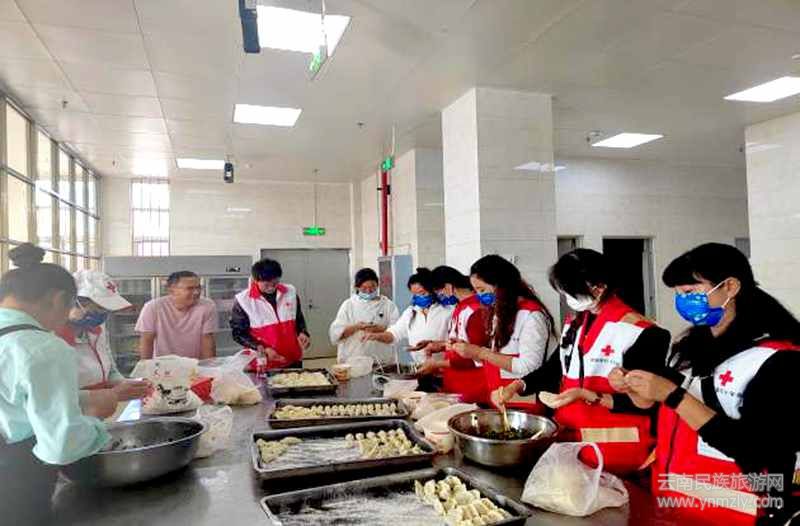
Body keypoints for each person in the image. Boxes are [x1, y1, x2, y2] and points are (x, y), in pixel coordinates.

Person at [618, 243, 800, 525]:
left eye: (691, 291)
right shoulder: (689, 348)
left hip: (742, 512)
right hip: (677, 505)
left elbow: (756, 448)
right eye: (679, 294)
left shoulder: (779, 360)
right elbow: (671, 419)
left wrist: (673, 395)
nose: (684, 302)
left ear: (730, 287)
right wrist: (638, 392)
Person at [490, 248, 671, 475]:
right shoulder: (576, 324)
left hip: (614, 447)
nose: (568, 299)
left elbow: (646, 402)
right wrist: (517, 386)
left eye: (571, 292)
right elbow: (555, 368)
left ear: (599, 287)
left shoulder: (641, 332)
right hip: (572, 437)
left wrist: (588, 395)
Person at [0, 244, 110, 525]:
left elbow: (13, 398)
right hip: (15, 487)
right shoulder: (43, 347)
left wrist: (84, 398)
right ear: (58, 299)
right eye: (70, 306)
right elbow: (62, 445)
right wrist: (96, 421)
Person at [451, 255, 556, 413]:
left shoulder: (531, 316)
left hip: (523, 401)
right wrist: (471, 353)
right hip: (501, 397)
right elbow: (496, 357)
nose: (479, 296)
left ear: (501, 285)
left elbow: (529, 367)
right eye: (476, 291)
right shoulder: (500, 312)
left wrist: (481, 353)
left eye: (482, 290)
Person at [55, 270, 149, 405]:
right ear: (73, 302)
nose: (101, 315)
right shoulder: (51, 339)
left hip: (97, 409)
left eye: (106, 310)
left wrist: (124, 384)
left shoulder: (96, 329)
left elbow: (109, 368)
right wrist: (112, 394)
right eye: (97, 309)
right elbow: (53, 398)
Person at [416, 265, 491, 403]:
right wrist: (440, 345)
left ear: (448, 287)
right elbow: (461, 342)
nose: (440, 297)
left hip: (472, 386)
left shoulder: (475, 311)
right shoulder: (460, 307)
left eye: (439, 292)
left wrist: (437, 364)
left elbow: (476, 357)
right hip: (456, 383)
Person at [230, 258, 311, 369]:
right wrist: (262, 348)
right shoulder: (243, 301)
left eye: (275, 283)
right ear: (255, 280)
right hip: (263, 362)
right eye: (266, 284)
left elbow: (298, 317)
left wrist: (303, 332)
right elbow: (238, 334)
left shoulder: (290, 292)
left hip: (292, 357)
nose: (271, 288)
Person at [363, 267, 453, 364]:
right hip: (420, 365)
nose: (419, 298)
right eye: (415, 295)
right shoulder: (411, 312)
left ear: (433, 290)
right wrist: (376, 336)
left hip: (444, 366)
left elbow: (456, 343)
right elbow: (394, 334)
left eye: (422, 293)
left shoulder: (447, 311)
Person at [135, 270, 218, 360]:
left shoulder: (207, 306)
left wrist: (209, 366)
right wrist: (146, 366)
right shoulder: (153, 307)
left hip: (194, 364)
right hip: (162, 364)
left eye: (198, 288)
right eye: (190, 288)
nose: (196, 292)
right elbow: (147, 340)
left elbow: (207, 339)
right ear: (171, 291)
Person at [329, 268, 400, 365]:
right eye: (364, 288)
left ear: (378, 285)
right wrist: (357, 327)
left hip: (382, 361)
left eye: (372, 287)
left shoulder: (388, 305)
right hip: (353, 360)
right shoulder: (349, 305)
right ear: (357, 287)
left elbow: (397, 333)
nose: (368, 291)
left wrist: (379, 329)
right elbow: (336, 335)